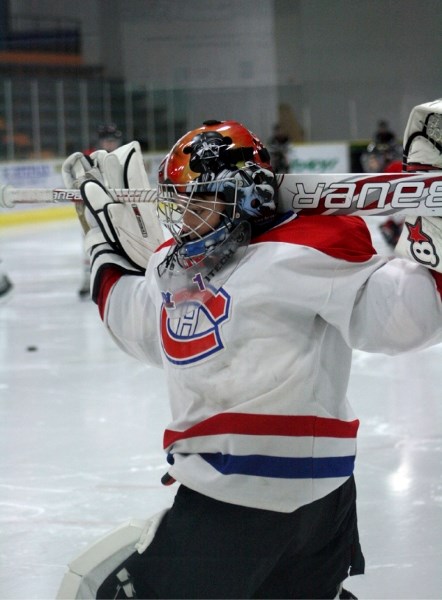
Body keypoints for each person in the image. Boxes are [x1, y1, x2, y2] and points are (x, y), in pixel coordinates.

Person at [59, 114, 442, 599]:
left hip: (232, 508)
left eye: (197, 200)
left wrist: (436, 246)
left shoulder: (300, 249)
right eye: (180, 203)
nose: (184, 217)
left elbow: (403, 318)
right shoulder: (172, 270)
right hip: (315, 505)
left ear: (241, 194)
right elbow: (136, 321)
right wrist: (107, 255)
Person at [78, 123, 123, 298]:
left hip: (117, 207)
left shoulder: (122, 156)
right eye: (107, 141)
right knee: (91, 240)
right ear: (101, 141)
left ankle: (116, 274)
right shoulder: (87, 158)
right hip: (92, 209)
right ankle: (88, 276)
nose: (111, 144)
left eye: (114, 141)